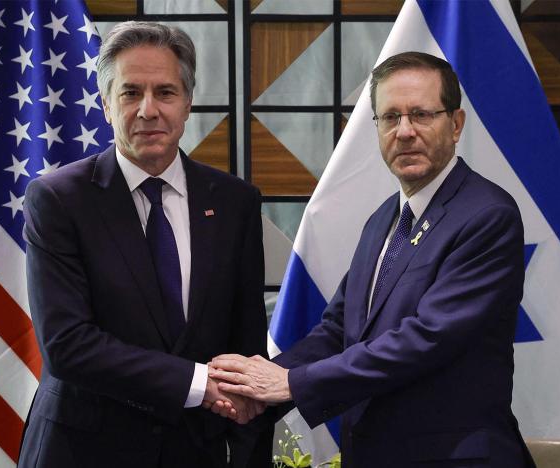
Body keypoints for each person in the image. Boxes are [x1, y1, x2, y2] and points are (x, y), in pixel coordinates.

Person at [210, 52, 536, 467]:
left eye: (421, 114)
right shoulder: (385, 219)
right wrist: (257, 389)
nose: (405, 132)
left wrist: (291, 383)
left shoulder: (487, 215)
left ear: (455, 125)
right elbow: (338, 330)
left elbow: (426, 338)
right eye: (390, 117)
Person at [18, 22, 270, 468]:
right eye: (131, 93)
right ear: (107, 105)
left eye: (165, 93)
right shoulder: (58, 199)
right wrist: (195, 383)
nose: (148, 110)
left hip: (196, 452)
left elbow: (246, 345)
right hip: (83, 452)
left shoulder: (235, 202)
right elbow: (67, 344)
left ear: (188, 103)